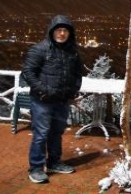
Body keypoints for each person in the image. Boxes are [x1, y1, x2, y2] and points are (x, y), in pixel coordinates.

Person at [21, 14, 84, 184]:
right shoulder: (40, 49)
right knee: (41, 134)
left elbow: (78, 74)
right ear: (52, 31)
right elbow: (28, 73)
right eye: (58, 30)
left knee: (57, 133)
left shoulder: (72, 52)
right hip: (43, 100)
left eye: (65, 30)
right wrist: (44, 90)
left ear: (69, 33)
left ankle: (54, 162)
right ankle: (35, 168)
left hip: (62, 100)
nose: (62, 33)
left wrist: (73, 90)